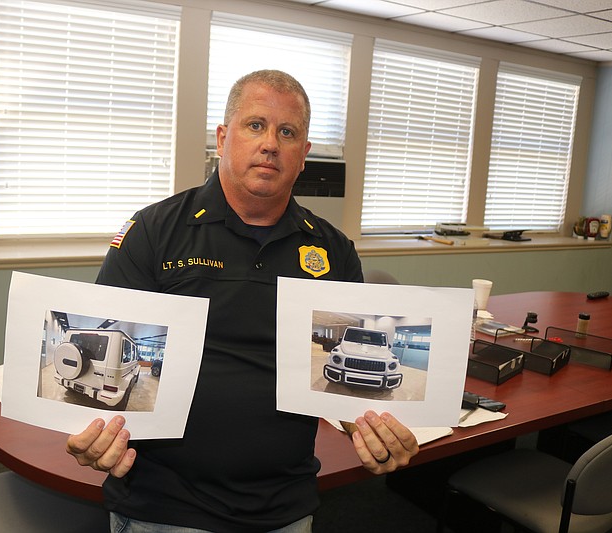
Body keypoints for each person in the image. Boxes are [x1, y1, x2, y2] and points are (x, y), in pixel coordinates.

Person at [67, 69, 419, 532]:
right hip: (165, 505)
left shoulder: (333, 250)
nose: (270, 143)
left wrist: (371, 429)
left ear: (303, 155)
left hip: (284, 506)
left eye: (287, 132)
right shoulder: (155, 231)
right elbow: (103, 337)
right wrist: (90, 431)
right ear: (222, 137)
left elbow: (339, 400)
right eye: (255, 125)